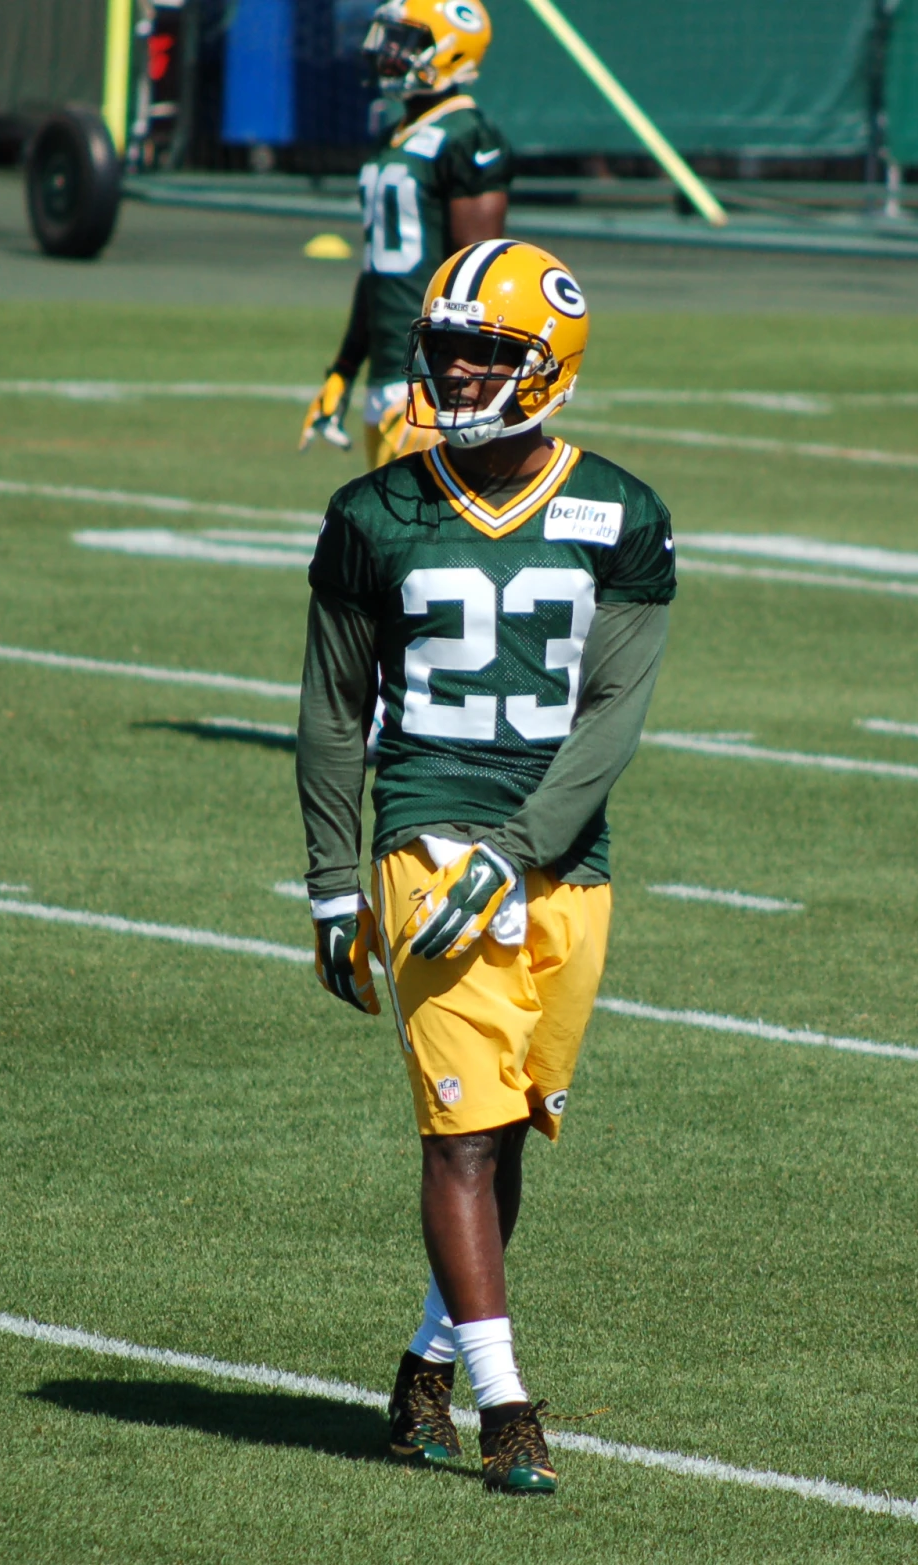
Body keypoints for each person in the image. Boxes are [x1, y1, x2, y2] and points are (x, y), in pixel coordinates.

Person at [294, 241, 675, 1495]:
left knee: (505, 1128)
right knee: (456, 1136)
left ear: (545, 363)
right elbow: (332, 711)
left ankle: (421, 1374)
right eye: (443, 344)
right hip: (427, 833)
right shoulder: (371, 511)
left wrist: (522, 847)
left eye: (485, 350)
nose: (453, 368)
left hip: (562, 854)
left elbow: (613, 711)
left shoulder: (618, 512)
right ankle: (509, 1405)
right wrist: (332, 882)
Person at [299, 0, 512, 468]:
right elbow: (376, 271)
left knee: (419, 535)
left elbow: (477, 275)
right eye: (391, 38)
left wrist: (443, 385)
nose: (389, 52)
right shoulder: (394, 133)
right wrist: (343, 371)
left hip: (426, 377)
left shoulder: (467, 135)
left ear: (452, 52)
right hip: (387, 371)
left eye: (407, 41)